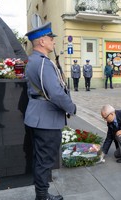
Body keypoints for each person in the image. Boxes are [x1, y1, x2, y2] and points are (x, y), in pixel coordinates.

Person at [25, 22, 77, 200]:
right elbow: (55, 92)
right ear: (41, 41)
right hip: (46, 119)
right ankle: (42, 196)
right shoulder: (43, 64)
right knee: (45, 161)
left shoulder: (33, 60)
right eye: (50, 38)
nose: (53, 42)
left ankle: (42, 193)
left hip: (37, 115)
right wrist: (71, 107)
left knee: (40, 159)